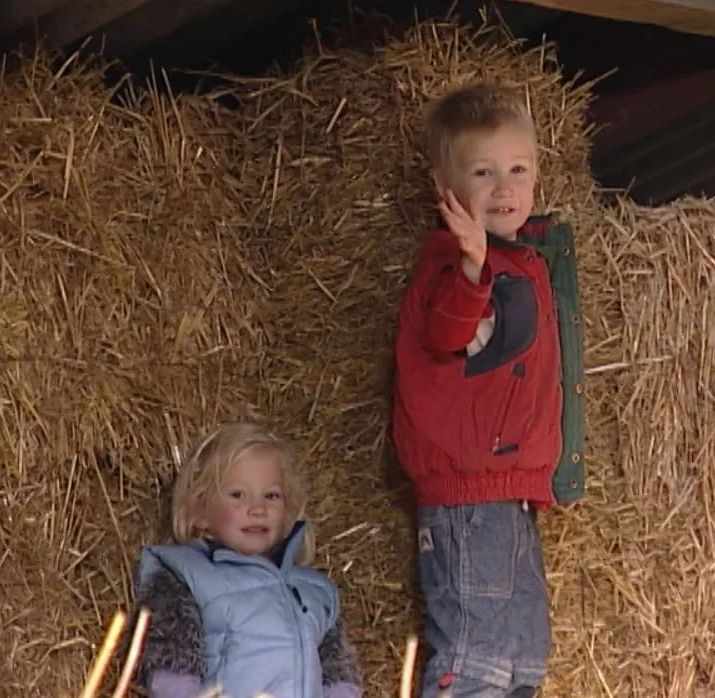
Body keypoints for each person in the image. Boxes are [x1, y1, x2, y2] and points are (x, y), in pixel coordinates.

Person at [392, 82, 585, 697]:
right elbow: (448, 332)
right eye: (483, 173)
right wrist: (474, 264)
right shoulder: (451, 261)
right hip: (468, 496)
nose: (504, 187)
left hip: (508, 492)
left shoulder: (522, 260)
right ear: (444, 186)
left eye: (518, 170)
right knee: (475, 657)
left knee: (523, 657)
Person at [131, 421, 363, 698]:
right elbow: (172, 665)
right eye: (238, 495)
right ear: (201, 511)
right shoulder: (188, 576)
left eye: (271, 496)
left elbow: (338, 674)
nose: (258, 509)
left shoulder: (316, 592)